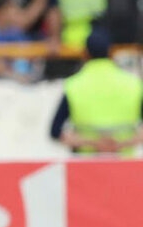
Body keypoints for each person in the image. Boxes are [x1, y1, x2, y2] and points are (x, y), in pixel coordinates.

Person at [49, 29, 143, 157]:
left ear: (85, 54)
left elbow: (56, 132)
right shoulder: (134, 84)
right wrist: (121, 144)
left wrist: (94, 143)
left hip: (87, 166)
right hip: (125, 164)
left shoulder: (74, 85)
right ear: (111, 53)